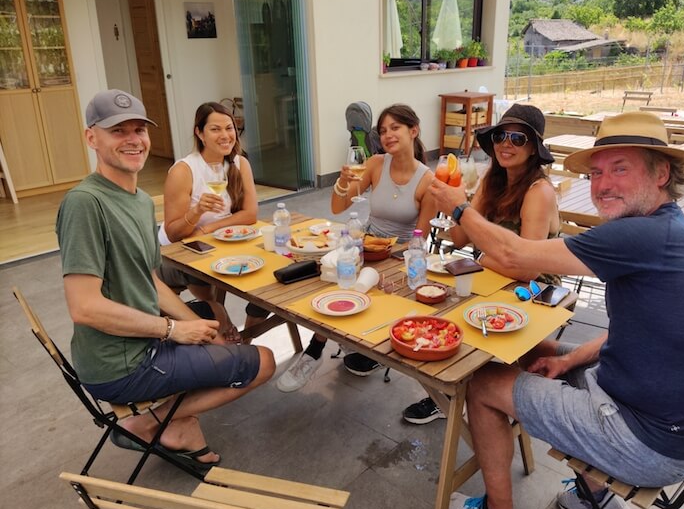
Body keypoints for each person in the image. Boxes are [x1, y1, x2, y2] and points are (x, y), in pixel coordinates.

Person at [429, 111, 684, 509]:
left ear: (662, 172)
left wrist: (457, 205)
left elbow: (516, 257)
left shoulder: (642, 235)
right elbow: (637, 332)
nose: (603, 184)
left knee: (482, 382)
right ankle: (597, 497)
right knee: (542, 348)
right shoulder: (671, 230)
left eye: (620, 168)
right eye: (596, 172)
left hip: (649, 442)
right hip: (674, 422)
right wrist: (569, 359)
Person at [56, 90, 275, 473]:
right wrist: (174, 329)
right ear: (91, 138)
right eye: (117, 130)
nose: (132, 139)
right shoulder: (84, 204)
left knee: (212, 311)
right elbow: (84, 306)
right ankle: (148, 423)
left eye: (138, 129)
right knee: (264, 362)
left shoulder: (139, 200)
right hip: (121, 365)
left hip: (142, 341)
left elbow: (149, 279)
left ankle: (177, 419)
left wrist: (196, 324)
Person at [253, 103, 436, 392]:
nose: (388, 135)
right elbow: (338, 206)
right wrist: (342, 181)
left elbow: (418, 240)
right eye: (383, 130)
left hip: (396, 256)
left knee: (350, 287)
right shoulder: (376, 164)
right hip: (363, 243)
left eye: (395, 128)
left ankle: (314, 351)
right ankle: (321, 347)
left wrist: (387, 259)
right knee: (325, 277)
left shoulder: (428, 180)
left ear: (413, 130)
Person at [402, 103, 561, 425]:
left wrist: (483, 257)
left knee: (463, 315)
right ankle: (446, 389)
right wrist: (451, 203)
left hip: (533, 288)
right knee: (433, 304)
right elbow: (460, 239)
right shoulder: (492, 181)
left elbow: (528, 266)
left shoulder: (539, 191)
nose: (506, 143)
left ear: (533, 149)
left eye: (518, 139)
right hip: (492, 275)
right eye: (502, 135)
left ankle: (459, 392)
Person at [157, 102, 258, 342]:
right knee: (204, 269)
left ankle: (247, 322)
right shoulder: (184, 170)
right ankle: (217, 315)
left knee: (265, 264)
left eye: (229, 128)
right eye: (215, 129)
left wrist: (208, 227)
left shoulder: (240, 163)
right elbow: (173, 234)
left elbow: (250, 214)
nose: (225, 135)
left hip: (216, 242)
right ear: (199, 133)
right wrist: (197, 211)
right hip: (174, 254)